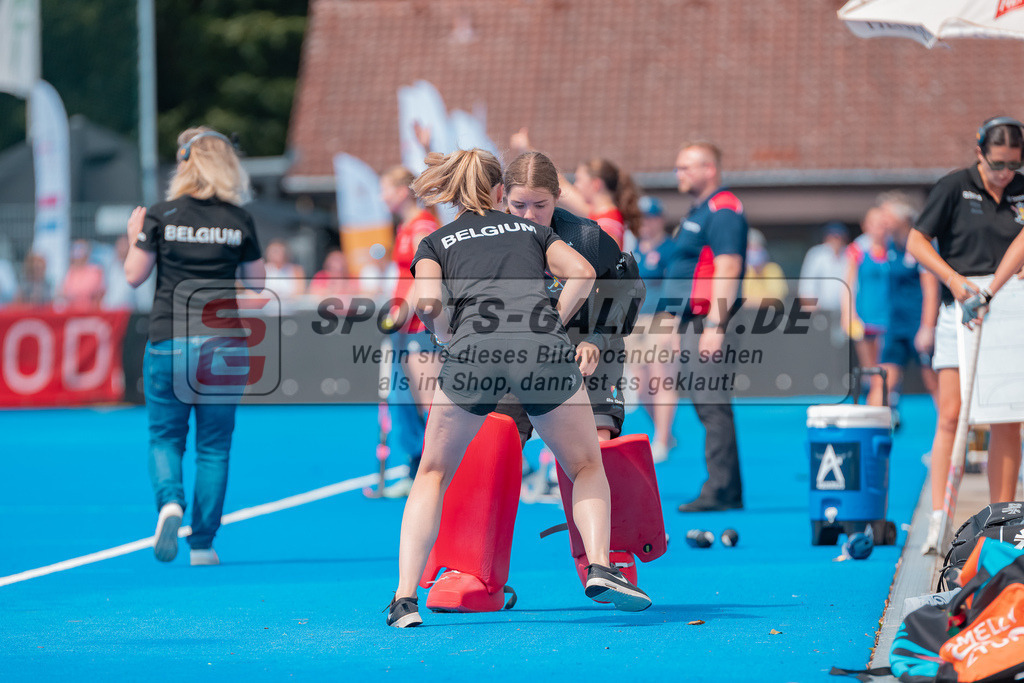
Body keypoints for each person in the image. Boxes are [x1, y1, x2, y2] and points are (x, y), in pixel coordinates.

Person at [386, 148, 650, 627]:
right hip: (543, 352)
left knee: (432, 473)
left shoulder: (440, 240)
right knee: (569, 459)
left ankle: (404, 599)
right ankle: (587, 566)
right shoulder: (532, 233)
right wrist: (548, 322)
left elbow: (425, 303)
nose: (528, 213)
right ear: (500, 194)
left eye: (539, 204)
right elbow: (580, 277)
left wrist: (448, 335)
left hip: (494, 354)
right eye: (519, 203)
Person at [124, 126, 265, 566]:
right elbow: (258, 284)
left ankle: (170, 502)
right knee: (214, 446)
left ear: (184, 164)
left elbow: (133, 275)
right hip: (223, 344)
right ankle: (202, 544)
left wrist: (135, 237)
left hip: (169, 339)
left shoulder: (161, 215)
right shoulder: (238, 218)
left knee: (166, 437)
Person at [906, 116, 1024, 554]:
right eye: (997, 164)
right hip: (960, 307)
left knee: (1006, 414)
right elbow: (917, 243)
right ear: (979, 153)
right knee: (952, 415)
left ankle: (1004, 517)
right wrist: (954, 281)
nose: (1005, 173)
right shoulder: (954, 186)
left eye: (1013, 164)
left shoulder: (1021, 189)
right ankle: (940, 516)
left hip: (1009, 308)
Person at [666, 141, 748, 513]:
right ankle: (726, 488)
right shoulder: (698, 210)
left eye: (686, 167)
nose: (678, 173)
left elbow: (729, 266)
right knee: (706, 404)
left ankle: (721, 489)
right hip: (693, 319)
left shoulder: (723, 210)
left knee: (712, 405)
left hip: (709, 319)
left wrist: (716, 324)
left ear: (709, 169)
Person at [376, 165, 443, 498]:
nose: (381, 196)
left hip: (419, 326)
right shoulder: (404, 227)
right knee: (403, 399)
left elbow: (424, 276)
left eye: (385, 188)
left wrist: (401, 314)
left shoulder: (423, 225)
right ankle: (417, 469)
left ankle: (443, 474)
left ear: (402, 191)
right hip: (404, 325)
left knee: (428, 402)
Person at [509, 129, 641, 250]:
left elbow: (607, 259)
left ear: (596, 184)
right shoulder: (595, 213)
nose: (576, 185)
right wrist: (527, 151)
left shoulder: (609, 221)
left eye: (579, 180)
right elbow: (560, 182)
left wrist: (526, 148)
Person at [876, 192, 939, 414]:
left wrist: (927, 328)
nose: (881, 219)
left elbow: (931, 290)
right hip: (896, 325)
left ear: (903, 217)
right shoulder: (890, 244)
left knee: (934, 383)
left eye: (886, 214)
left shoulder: (921, 244)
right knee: (882, 381)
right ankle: (868, 440)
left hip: (919, 324)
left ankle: (957, 438)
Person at [626, 195, 678, 463]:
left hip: (661, 317)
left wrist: (674, 321)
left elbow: (678, 286)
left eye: (650, 217)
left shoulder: (670, 249)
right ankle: (664, 431)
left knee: (661, 378)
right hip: (636, 321)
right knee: (642, 384)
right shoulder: (634, 249)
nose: (645, 223)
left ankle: (661, 438)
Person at [843, 207, 893, 406]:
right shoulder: (857, 250)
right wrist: (849, 315)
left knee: (886, 367)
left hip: (889, 318)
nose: (878, 228)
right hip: (864, 317)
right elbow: (848, 283)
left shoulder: (895, 249)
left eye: (882, 223)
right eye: (874, 223)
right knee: (869, 368)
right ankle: (872, 406)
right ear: (866, 225)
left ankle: (887, 405)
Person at [797, 222, 850, 314]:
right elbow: (807, 284)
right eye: (833, 237)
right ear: (826, 238)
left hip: (845, 310)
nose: (836, 240)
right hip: (821, 311)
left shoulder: (848, 254)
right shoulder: (817, 254)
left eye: (839, 237)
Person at [740, 228, 788, 309]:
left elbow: (777, 298)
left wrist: (751, 302)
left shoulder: (773, 269)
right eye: (750, 248)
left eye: (756, 248)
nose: (753, 252)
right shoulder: (740, 270)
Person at [60, 240, 106, 309]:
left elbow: (97, 293)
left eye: (80, 249)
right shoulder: (70, 272)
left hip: (91, 312)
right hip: (72, 312)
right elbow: (63, 293)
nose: (77, 253)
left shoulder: (95, 270)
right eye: (75, 250)